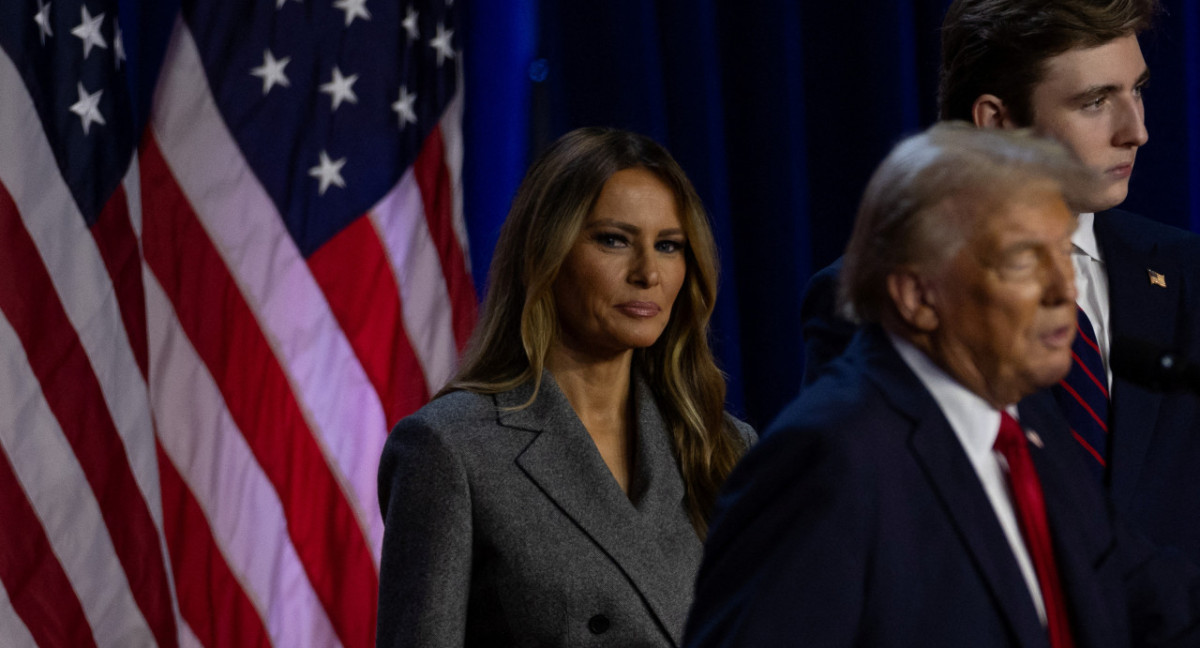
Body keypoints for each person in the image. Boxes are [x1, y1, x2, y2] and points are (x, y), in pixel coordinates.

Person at [685, 123, 1200, 647]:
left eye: (1063, 256)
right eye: (1024, 259)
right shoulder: (829, 459)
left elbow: (1146, 595)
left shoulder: (1027, 425)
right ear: (916, 296)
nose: (1063, 290)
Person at [799, 0, 1200, 562]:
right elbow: (869, 546)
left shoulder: (1187, 273)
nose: (1137, 131)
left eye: (1137, 90)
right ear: (999, 121)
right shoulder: (882, 299)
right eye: (1095, 102)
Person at [375, 127, 754, 647]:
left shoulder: (725, 447)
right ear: (545, 253)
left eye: (668, 246)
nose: (648, 273)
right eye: (614, 240)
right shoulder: (450, 449)